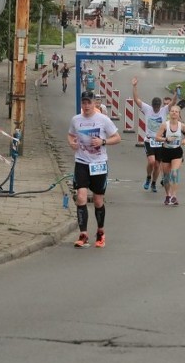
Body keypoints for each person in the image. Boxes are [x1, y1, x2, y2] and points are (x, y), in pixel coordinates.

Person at [67, 90, 121, 248]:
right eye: (83, 103)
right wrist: (72, 143)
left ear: (94, 103)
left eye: (88, 103)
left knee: (98, 200)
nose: (86, 106)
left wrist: (103, 142)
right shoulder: (76, 120)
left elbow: (117, 138)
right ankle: (83, 234)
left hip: (99, 164)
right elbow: (70, 135)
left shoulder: (103, 120)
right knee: (81, 197)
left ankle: (100, 232)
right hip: (82, 162)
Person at [132, 76, 177, 193]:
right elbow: (136, 99)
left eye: (158, 107)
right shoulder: (147, 109)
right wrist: (135, 86)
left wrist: (176, 92)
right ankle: (148, 177)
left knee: (157, 165)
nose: (156, 109)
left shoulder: (164, 110)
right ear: (152, 106)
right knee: (151, 162)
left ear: (160, 106)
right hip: (149, 140)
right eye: (155, 107)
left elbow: (173, 103)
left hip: (160, 141)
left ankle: (153, 183)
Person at [154, 104, 185, 206]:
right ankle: (168, 195)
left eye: (176, 111)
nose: (174, 113)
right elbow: (157, 137)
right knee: (166, 177)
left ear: (179, 114)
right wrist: (165, 139)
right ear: (169, 113)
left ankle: (174, 196)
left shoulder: (181, 125)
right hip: (165, 152)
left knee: (174, 173)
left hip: (177, 152)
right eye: (172, 111)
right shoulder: (164, 125)